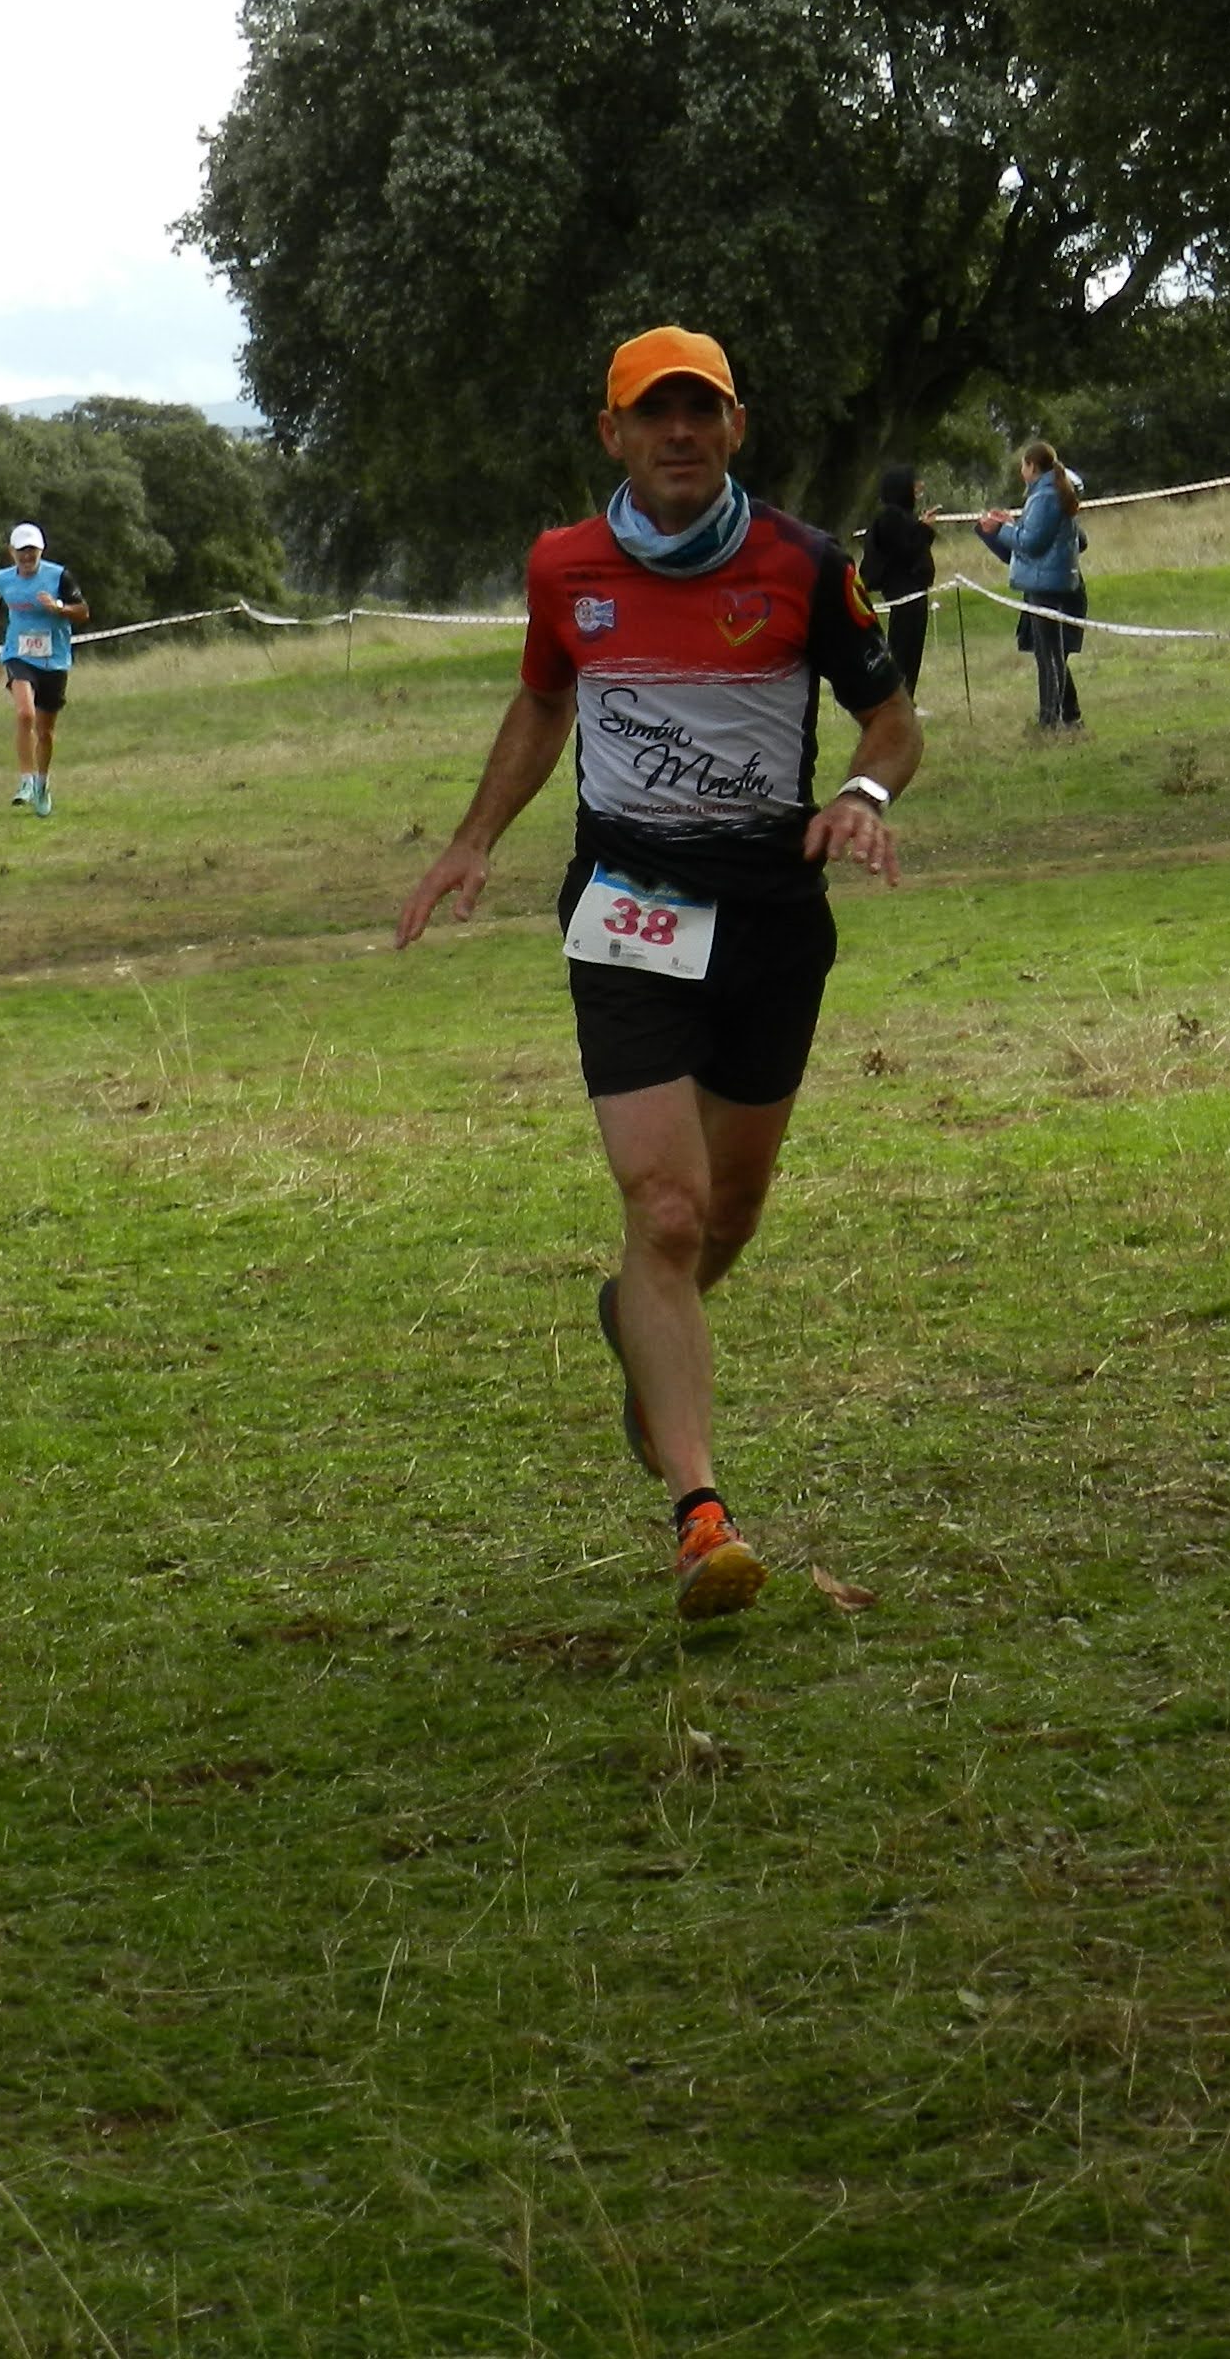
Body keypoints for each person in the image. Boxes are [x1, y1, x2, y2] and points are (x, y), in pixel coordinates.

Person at [396, 325, 918, 1623]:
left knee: (725, 1219)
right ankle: (701, 1516)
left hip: (770, 912)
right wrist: (472, 841)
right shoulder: (564, 569)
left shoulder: (806, 567)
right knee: (668, 1211)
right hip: (627, 907)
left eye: (703, 411)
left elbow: (893, 721)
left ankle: (640, 1323)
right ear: (613, 434)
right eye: (653, 413)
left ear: (737, 427)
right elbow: (541, 702)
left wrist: (859, 791)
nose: (679, 433)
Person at [977, 441, 1087, 733]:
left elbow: (1031, 544)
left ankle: (1049, 720)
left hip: (1044, 582)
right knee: (1051, 652)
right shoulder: (1051, 494)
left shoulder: (1044, 498)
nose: (1021, 472)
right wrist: (1012, 523)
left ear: (1032, 467)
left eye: (1023, 466)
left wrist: (999, 530)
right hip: (1053, 580)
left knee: (1048, 655)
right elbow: (1035, 533)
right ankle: (1058, 716)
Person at [0, 526, 84, 813]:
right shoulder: (4, 578)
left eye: (32, 550)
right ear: (11, 552)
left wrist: (59, 608)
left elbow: (83, 611)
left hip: (54, 659)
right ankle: (25, 779)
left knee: (45, 731)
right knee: (24, 713)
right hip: (19, 655)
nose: (27, 556)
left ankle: (42, 782)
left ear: (41, 551)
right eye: (22, 550)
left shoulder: (58, 576)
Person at [862, 465, 938, 696]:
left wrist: (920, 527)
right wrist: (924, 530)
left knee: (913, 650)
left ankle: (908, 698)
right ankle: (898, 699)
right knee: (903, 649)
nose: (918, 488)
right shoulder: (890, 517)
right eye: (913, 484)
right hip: (903, 593)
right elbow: (905, 551)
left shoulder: (902, 516)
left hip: (915, 591)